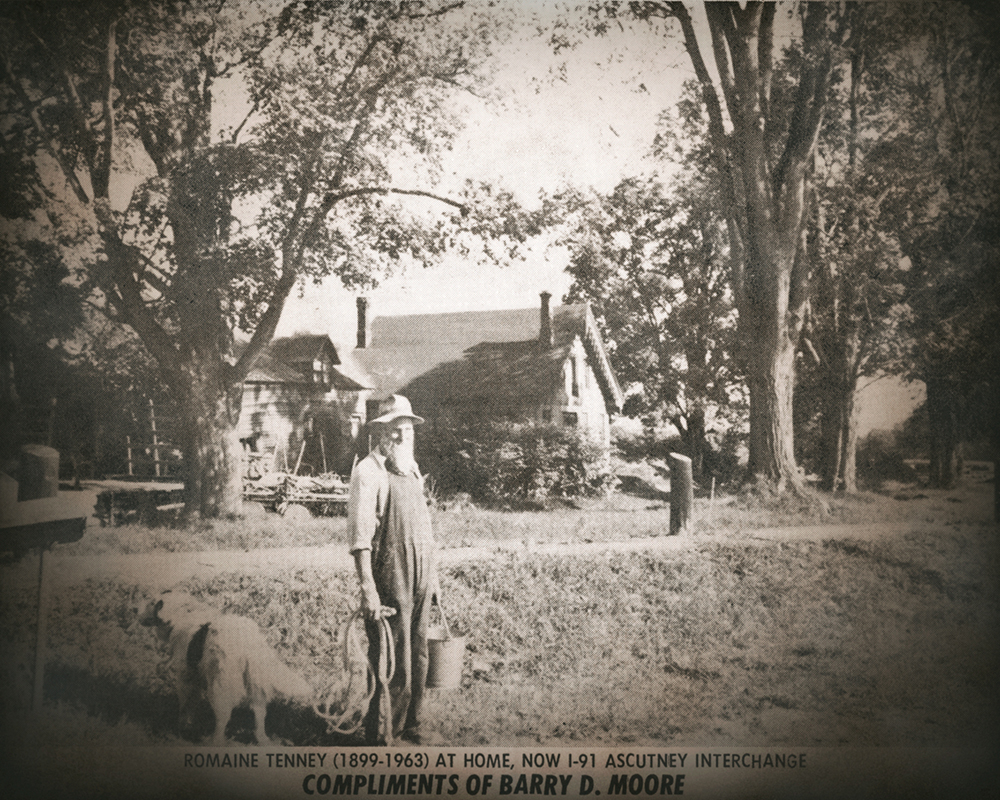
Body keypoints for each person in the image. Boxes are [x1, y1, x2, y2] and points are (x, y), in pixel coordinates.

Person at [347, 394, 440, 746]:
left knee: (419, 653)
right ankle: (385, 734)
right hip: (390, 576)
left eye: (407, 430)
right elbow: (360, 539)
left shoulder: (412, 469)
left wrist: (433, 580)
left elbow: (425, 531)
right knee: (392, 657)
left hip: (421, 576)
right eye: (395, 431)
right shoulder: (368, 472)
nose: (402, 438)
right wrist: (368, 588)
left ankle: (413, 725)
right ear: (380, 433)